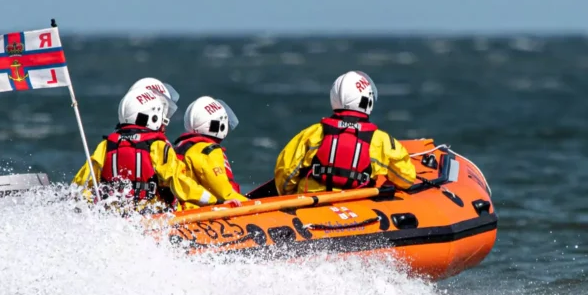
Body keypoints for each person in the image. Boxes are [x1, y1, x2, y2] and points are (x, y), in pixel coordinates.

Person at [72, 87, 219, 210]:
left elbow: (83, 181)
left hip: (114, 216)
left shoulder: (106, 145)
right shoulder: (157, 145)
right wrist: (212, 199)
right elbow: (179, 182)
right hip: (152, 216)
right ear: (152, 116)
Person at [274, 71, 416, 195]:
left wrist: (289, 195)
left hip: (309, 204)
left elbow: (285, 172)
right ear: (367, 100)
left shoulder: (312, 133)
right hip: (356, 206)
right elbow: (406, 178)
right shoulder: (381, 140)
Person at [173, 96, 249, 205]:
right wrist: (252, 203)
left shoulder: (182, 147)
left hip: (183, 208)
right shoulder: (208, 151)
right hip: (198, 212)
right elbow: (224, 192)